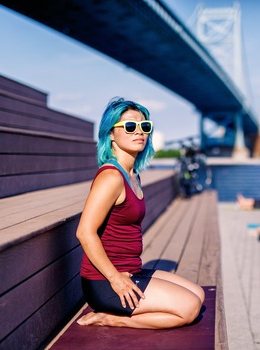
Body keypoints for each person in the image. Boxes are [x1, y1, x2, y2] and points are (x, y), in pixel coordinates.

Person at [76, 98, 204, 329]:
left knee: (198, 294)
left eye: (145, 126)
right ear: (111, 134)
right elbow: (85, 232)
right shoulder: (111, 177)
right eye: (130, 126)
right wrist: (115, 278)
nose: (139, 132)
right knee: (189, 308)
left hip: (130, 270)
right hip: (106, 283)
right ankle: (112, 319)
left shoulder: (132, 175)